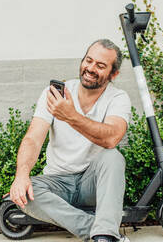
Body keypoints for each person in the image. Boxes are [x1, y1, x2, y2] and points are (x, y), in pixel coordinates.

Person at [9, 39, 131, 242]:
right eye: (88, 60)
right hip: (57, 181)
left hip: (91, 182)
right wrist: (21, 175)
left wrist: (70, 116)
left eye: (100, 66)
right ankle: (102, 233)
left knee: (112, 157)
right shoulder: (56, 94)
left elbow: (111, 138)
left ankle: (104, 234)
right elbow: (33, 138)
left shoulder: (118, 98)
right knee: (25, 195)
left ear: (113, 74)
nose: (90, 68)